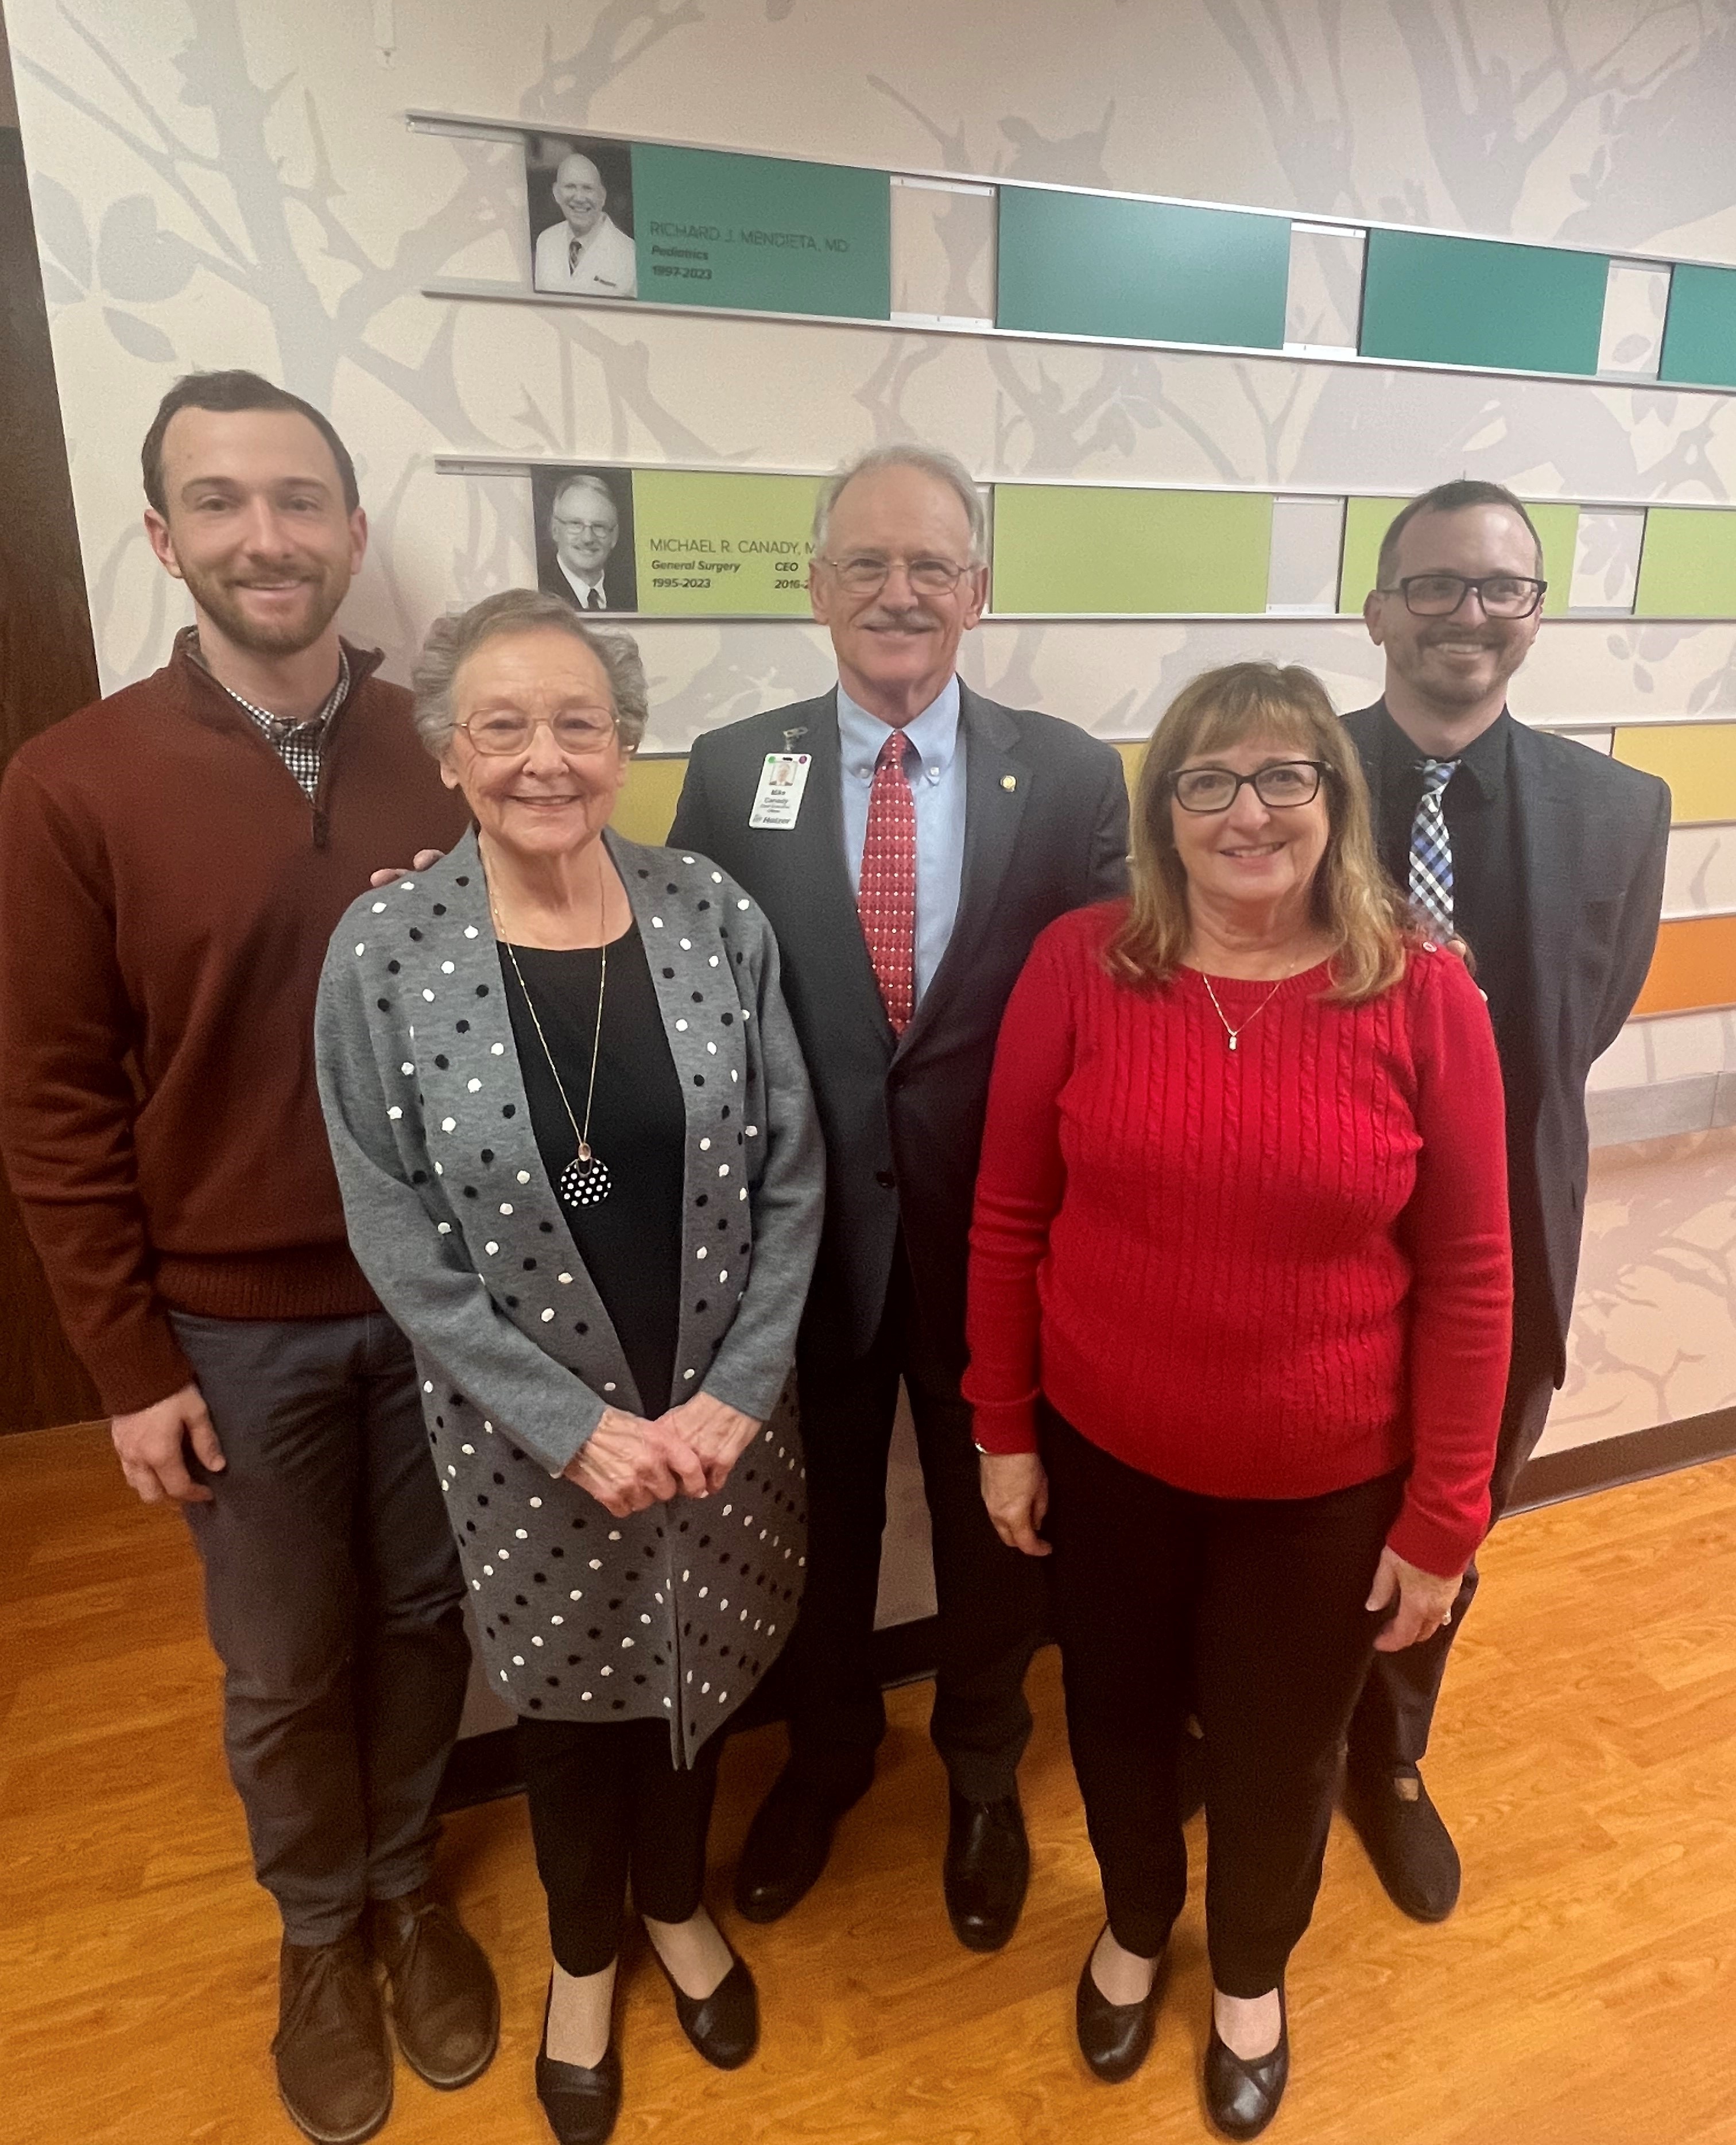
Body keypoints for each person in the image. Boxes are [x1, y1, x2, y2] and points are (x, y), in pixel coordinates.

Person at [0, 369, 496, 2145]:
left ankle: (412, 1886)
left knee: (431, 1621)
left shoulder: (450, 743)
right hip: (236, 1328)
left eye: (298, 502)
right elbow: (53, 1102)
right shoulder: (73, 783)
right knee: (287, 1662)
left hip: (447, 1316)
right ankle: (319, 1931)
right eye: (219, 504)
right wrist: (125, 1367)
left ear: (355, 537)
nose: (264, 537)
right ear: (162, 536)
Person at [966, 661, 1512, 2139]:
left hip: (1327, 1487)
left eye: (1285, 777)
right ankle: (1138, 1926)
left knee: (1281, 1754)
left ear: (1336, 802)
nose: (1247, 810)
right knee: (1120, 1721)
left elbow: (1471, 1276)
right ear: (1165, 814)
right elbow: (1010, 1215)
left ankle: (1254, 1971)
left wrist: (1446, 1514)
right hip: (1109, 1455)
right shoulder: (1082, 965)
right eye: (1208, 781)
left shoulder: (1422, 993)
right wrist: (1002, 1428)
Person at [315, 591, 823, 2145]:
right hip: (522, 1441)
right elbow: (391, 1226)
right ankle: (586, 1959)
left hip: (725, 1420)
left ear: (626, 742)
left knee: (700, 1675)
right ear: (452, 757)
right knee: (565, 1705)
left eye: (579, 722)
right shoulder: (386, 950)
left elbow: (796, 1171)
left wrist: (737, 1388)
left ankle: (677, 1907)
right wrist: (569, 1424)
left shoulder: (711, 916)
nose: (547, 757)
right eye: (505, 726)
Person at [669, 443, 1128, 1951]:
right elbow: (677, 980)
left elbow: (1146, 964)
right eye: (866, 562)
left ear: (978, 593)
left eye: (932, 564)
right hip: (803, 1249)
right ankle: (828, 1753)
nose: (899, 590)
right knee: (819, 1526)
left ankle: (983, 1774)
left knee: (1004, 1530)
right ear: (815, 588)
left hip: (1000, 1242)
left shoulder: (1064, 772)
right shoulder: (739, 771)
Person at [1340, 478, 1671, 1921]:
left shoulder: (1620, 812)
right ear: (1379, 609)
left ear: (1534, 616)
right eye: (1435, 585)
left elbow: (1584, 1024)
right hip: (1310, 1235)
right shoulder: (1283, 780)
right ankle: (1251, 1726)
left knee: (1448, 1510)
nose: (1467, 615)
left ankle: (1390, 1752)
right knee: (1292, 1504)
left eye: (1501, 589)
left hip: (1508, 1237)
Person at [533, 150, 638, 297]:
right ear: (556, 193)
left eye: (588, 188)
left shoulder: (630, 254)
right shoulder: (546, 241)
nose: (580, 198)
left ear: (602, 196)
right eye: (570, 187)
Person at [543, 473, 635, 613]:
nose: (588, 539)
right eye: (575, 524)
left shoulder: (629, 595)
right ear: (555, 530)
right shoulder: (540, 595)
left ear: (614, 536)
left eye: (599, 526)